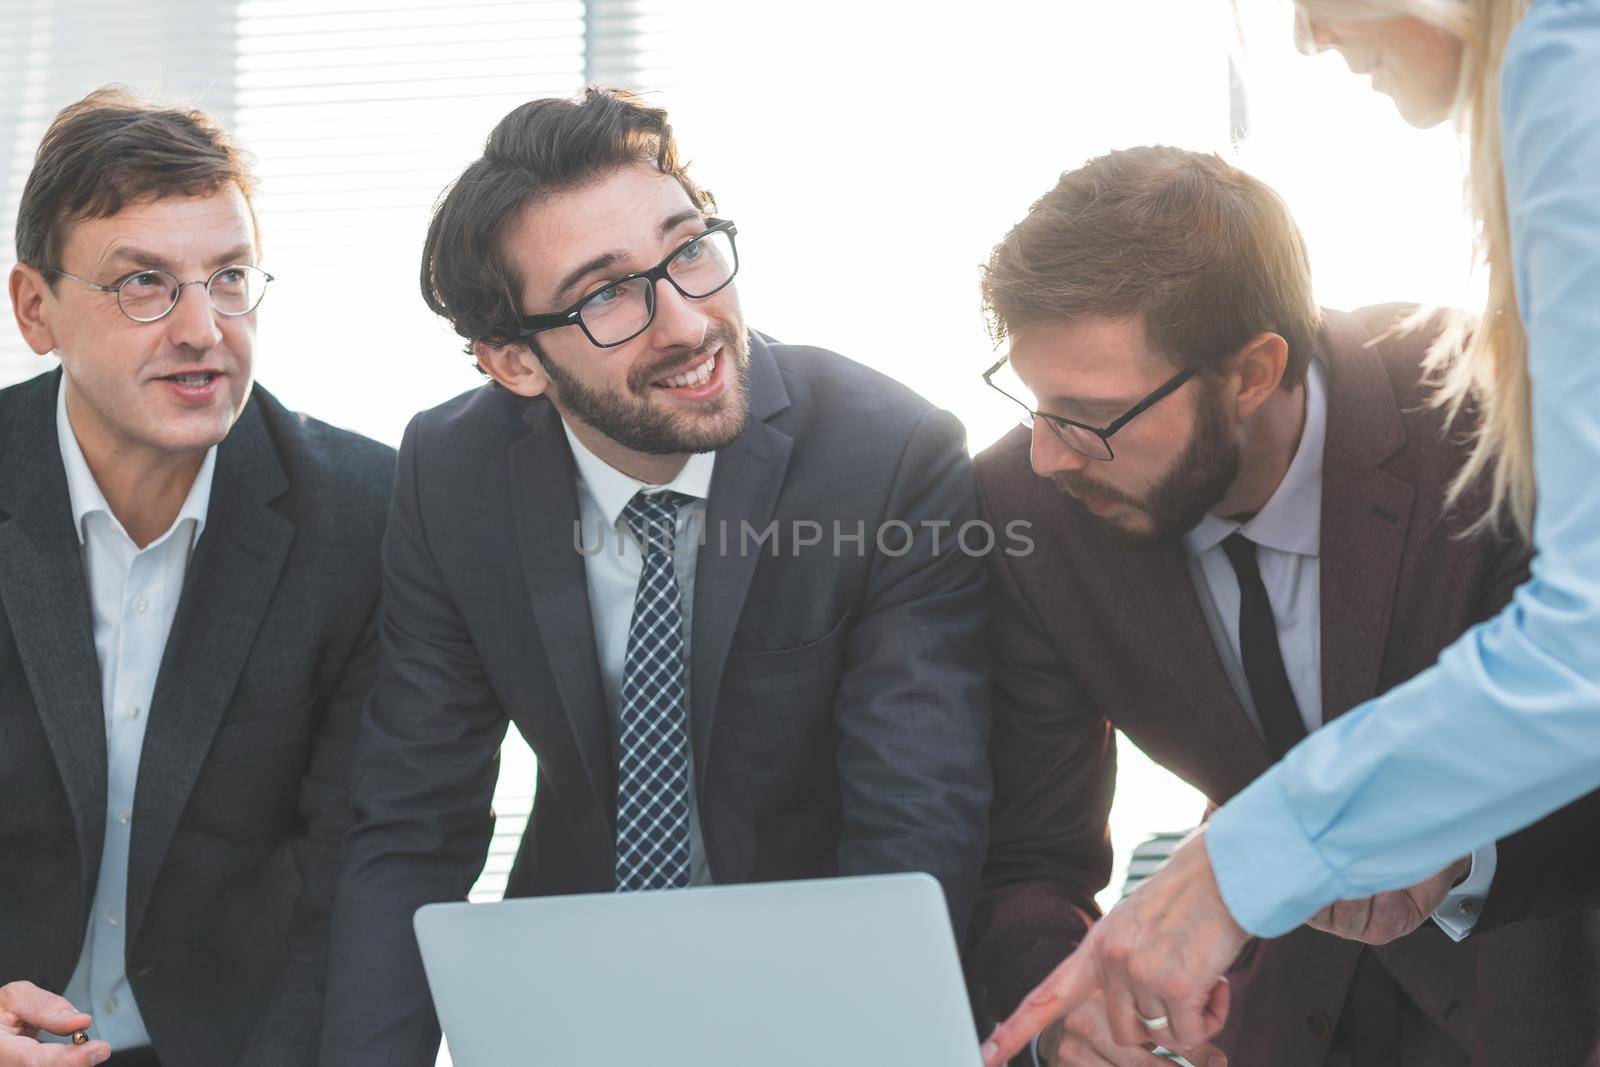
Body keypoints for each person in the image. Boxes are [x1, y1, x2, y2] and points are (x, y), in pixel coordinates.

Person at [319, 88, 993, 1066]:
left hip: (832, 989)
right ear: (513, 361)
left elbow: (915, 815)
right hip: (578, 1000)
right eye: (605, 294)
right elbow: (412, 819)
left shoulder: (888, 453)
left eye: (688, 250)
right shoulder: (450, 471)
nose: (685, 322)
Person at [980, 1, 1600, 1061]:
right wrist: (1073, 1011)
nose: (1049, 453)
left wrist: (1458, 853)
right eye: (1029, 399)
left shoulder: (1486, 406)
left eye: (1090, 416)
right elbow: (1029, 851)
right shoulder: (1027, 507)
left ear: (1253, 371)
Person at [0, 89, 393, 1067]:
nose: (202, 329)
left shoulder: (362, 515)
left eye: (228, 278)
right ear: (35, 309)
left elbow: (354, 873)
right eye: (144, 283)